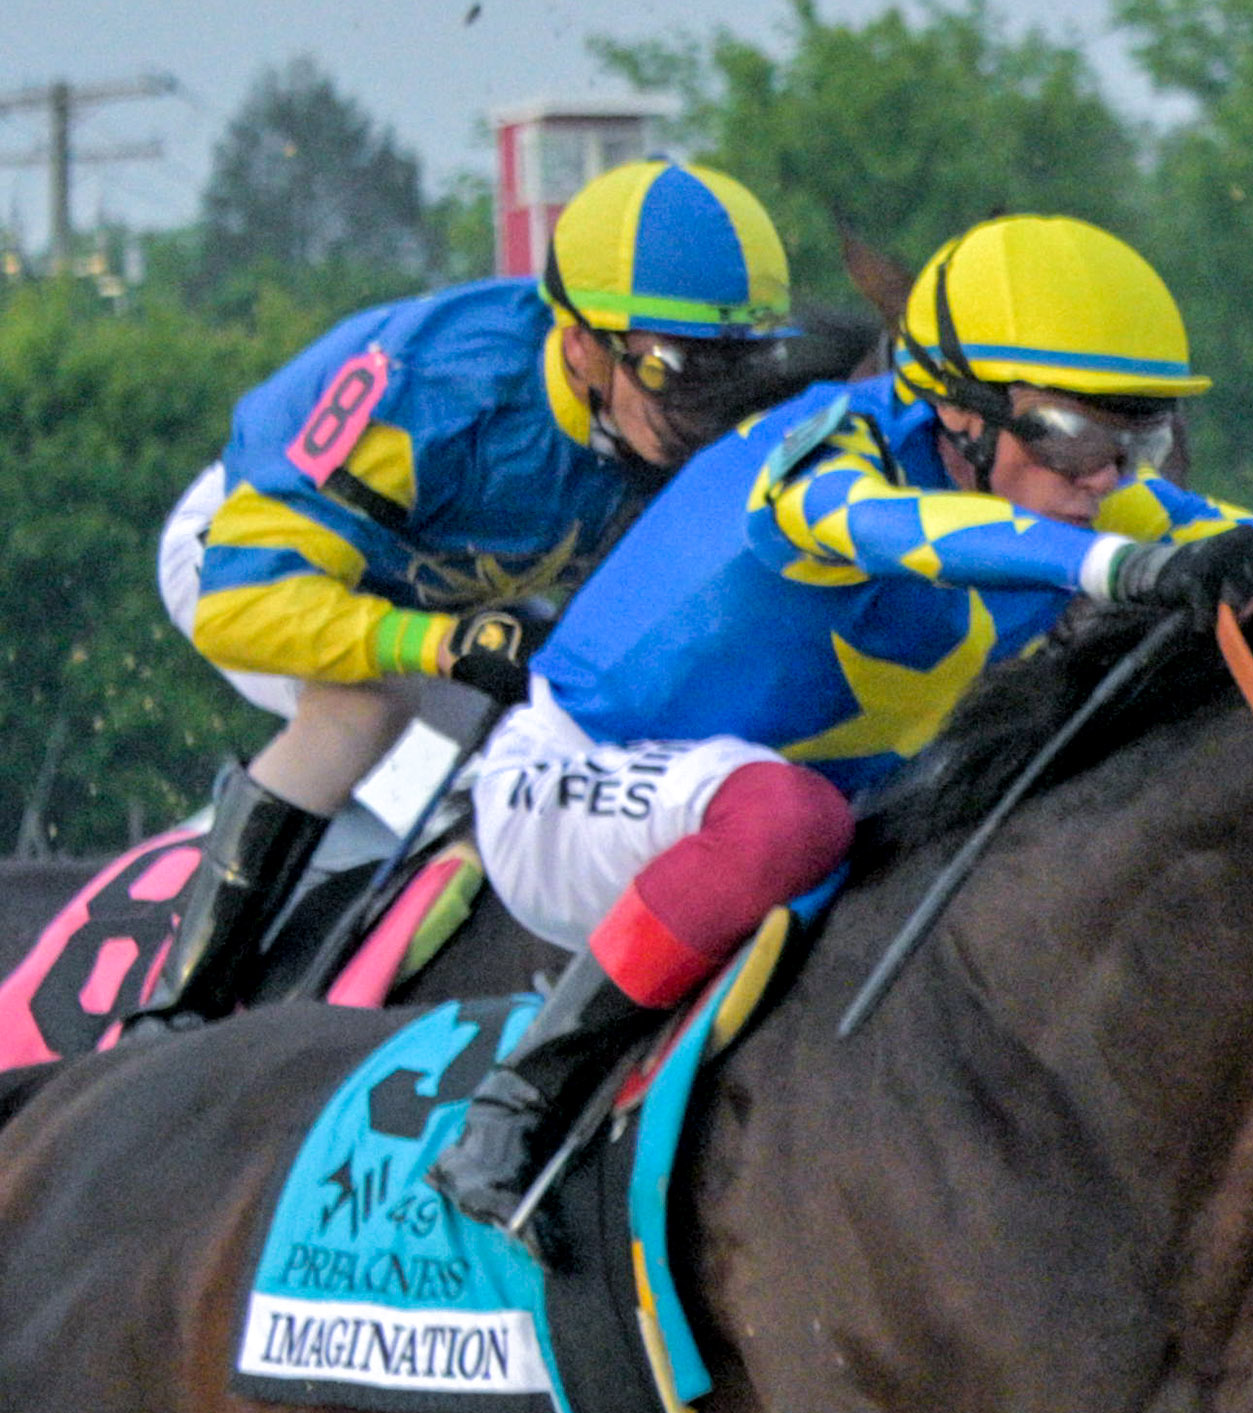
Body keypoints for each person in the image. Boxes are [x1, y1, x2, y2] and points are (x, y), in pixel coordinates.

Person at [439, 214, 1253, 1221]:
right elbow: (892, 526)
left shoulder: (1077, 496)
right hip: (569, 785)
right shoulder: (832, 450)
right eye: (1070, 436)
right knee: (786, 821)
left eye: (1129, 437)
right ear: (958, 411)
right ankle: (521, 1098)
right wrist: (1117, 566)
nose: (1101, 477)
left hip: (797, 817)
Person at [140, 154, 811, 1027]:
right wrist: (438, 646)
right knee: (365, 709)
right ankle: (180, 1006)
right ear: (581, 345)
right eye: (675, 371)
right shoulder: (433, 398)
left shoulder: (636, 394)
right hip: (248, 560)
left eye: (736, 367)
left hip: (448, 588)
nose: (711, 405)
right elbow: (243, 608)